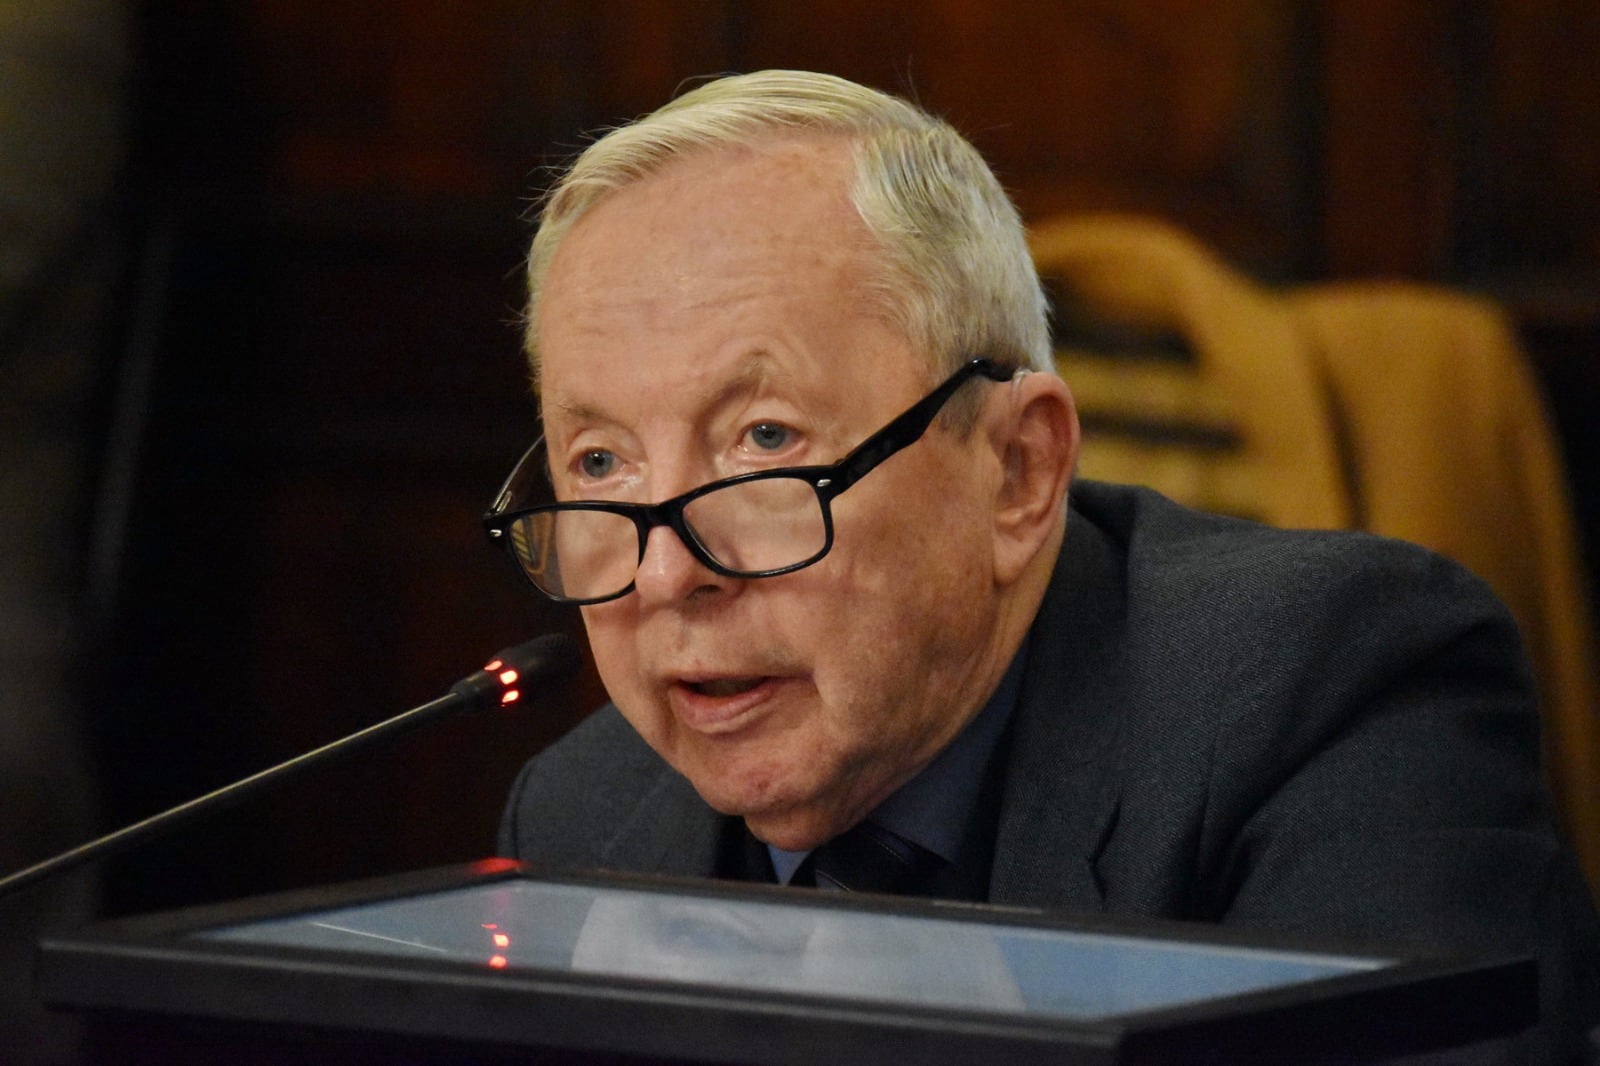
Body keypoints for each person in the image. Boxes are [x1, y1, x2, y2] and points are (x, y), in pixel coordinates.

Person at [490, 70, 1600, 1061]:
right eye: (602, 461)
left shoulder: (1334, 697)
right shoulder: (583, 816)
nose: (666, 574)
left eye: (767, 440)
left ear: (1017, 470)